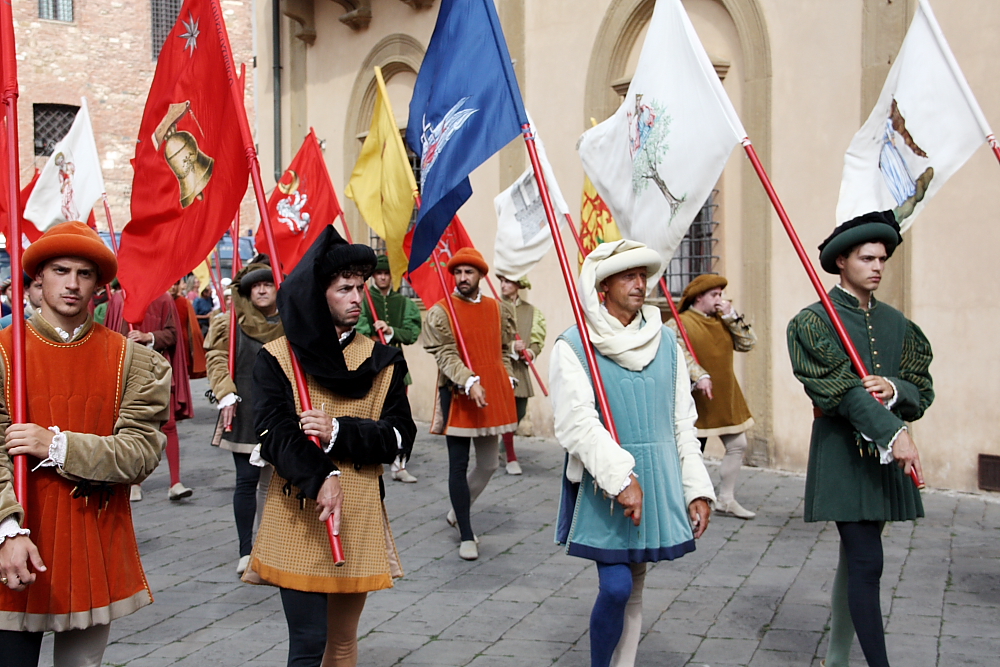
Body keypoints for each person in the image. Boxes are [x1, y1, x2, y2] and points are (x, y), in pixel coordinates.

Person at [0, 221, 170, 667]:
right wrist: (8, 529)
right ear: (39, 278)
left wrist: (55, 445)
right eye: (60, 270)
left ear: (99, 285)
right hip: (14, 540)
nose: (72, 284)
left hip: (93, 539)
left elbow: (140, 453)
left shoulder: (133, 359)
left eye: (85, 273)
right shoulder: (2, 352)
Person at [243, 227, 415, 667]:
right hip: (299, 513)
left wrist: (340, 431)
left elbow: (399, 437)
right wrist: (322, 476)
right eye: (344, 288)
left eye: (360, 287)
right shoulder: (278, 357)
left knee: (341, 641)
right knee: (308, 642)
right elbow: (275, 434)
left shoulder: (383, 359)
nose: (356, 297)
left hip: (357, 513)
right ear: (319, 295)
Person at [550, 240, 715, 667]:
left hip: (658, 478)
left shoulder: (666, 343)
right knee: (617, 587)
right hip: (606, 482)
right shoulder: (574, 346)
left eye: (643, 275)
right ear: (603, 286)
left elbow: (682, 423)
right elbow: (577, 424)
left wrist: (697, 488)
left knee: (636, 588)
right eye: (628, 275)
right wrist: (622, 479)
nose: (640, 284)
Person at [787, 210, 931, 667]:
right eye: (867, 258)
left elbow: (921, 388)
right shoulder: (812, 323)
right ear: (842, 262)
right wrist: (897, 434)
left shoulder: (898, 324)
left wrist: (894, 389)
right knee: (868, 562)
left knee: (856, 564)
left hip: (881, 465)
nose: (877, 267)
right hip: (843, 458)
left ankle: (836, 658)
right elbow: (840, 393)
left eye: (883, 259)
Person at [422, 248, 518, 561]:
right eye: (458, 272)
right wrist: (469, 380)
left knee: (490, 463)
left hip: (490, 394)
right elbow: (446, 354)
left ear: (480, 275)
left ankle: (456, 510)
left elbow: (502, 350)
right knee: (458, 464)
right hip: (460, 394)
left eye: (469, 272)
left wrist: (505, 376)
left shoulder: (498, 309)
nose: (463, 278)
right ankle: (465, 532)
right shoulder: (442, 311)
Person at [204, 261, 283, 575]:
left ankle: (272, 543)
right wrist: (225, 391)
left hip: (281, 410)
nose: (262, 289)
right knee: (247, 481)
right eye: (255, 285)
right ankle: (246, 550)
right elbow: (217, 357)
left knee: (278, 481)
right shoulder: (229, 321)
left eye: (268, 283)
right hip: (245, 406)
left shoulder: (292, 320)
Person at [668, 274, 757, 519]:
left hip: (725, 393)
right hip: (696, 397)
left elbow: (748, 343)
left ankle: (726, 499)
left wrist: (731, 315)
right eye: (714, 295)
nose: (720, 300)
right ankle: (681, 498)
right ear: (699, 297)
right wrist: (699, 375)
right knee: (692, 450)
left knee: (738, 445)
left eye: (721, 294)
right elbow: (678, 354)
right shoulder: (679, 323)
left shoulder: (723, 319)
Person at [106, 289, 194, 502]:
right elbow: (109, 335)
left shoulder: (163, 298)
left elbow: (173, 334)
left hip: (159, 372)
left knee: (169, 425)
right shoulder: (119, 298)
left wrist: (149, 337)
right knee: (133, 426)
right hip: (130, 372)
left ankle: (175, 482)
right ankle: (135, 483)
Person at [356, 254, 422, 483]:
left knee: (400, 415)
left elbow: (411, 334)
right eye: (378, 274)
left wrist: (391, 330)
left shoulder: (404, 303)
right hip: (370, 363)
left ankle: (399, 465)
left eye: (386, 274)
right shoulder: (364, 299)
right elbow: (359, 328)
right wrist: (373, 331)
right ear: (373, 276)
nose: (382, 277)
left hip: (396, 365)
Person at [496, 274, 546, 476]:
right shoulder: (495, 308)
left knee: (519, 411)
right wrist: (510, 346)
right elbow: (491, 338)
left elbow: (537, 339)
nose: (503, 285)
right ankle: (510, 457)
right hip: (502, 366)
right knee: (507, 412)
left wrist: (531, 351)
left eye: (508, 281)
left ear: (518, 285)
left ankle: (502, 447)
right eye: (501, 281)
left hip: (521, 369)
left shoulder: (531, 311)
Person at [171, 280, 207, 381]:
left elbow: (193, 329)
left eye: (176, 284)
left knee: (180, 378)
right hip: (165, 344)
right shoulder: (160, 301)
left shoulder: (184, 302)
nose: (173, 287)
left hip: (182, 344)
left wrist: (194, 351)